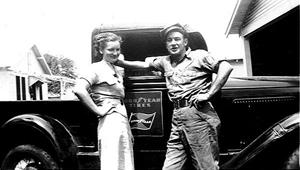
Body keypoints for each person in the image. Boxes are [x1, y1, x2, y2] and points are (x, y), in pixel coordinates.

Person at [114, 23, 233, 170]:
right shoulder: (165, 61)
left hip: (198, 115)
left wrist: (209, 94)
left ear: (185, 42)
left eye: (177, 39)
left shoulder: (199, 56)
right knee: (170, 167)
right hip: (177, 118)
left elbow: (226, 67)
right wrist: (118, 61)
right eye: (169, 40)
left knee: (206, 167)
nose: (173, 43)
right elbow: (143, 65)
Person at [73, 32, 134, 170]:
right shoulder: (95, 68)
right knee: (112, 162)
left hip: (121, 119)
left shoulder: (116, 69)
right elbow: (79, 89)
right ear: (101, 50)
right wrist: (99, 111)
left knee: (125, 162)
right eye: (110, 49)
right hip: (109, 121)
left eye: (117, 49)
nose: (115, 53)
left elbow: (123, 62)